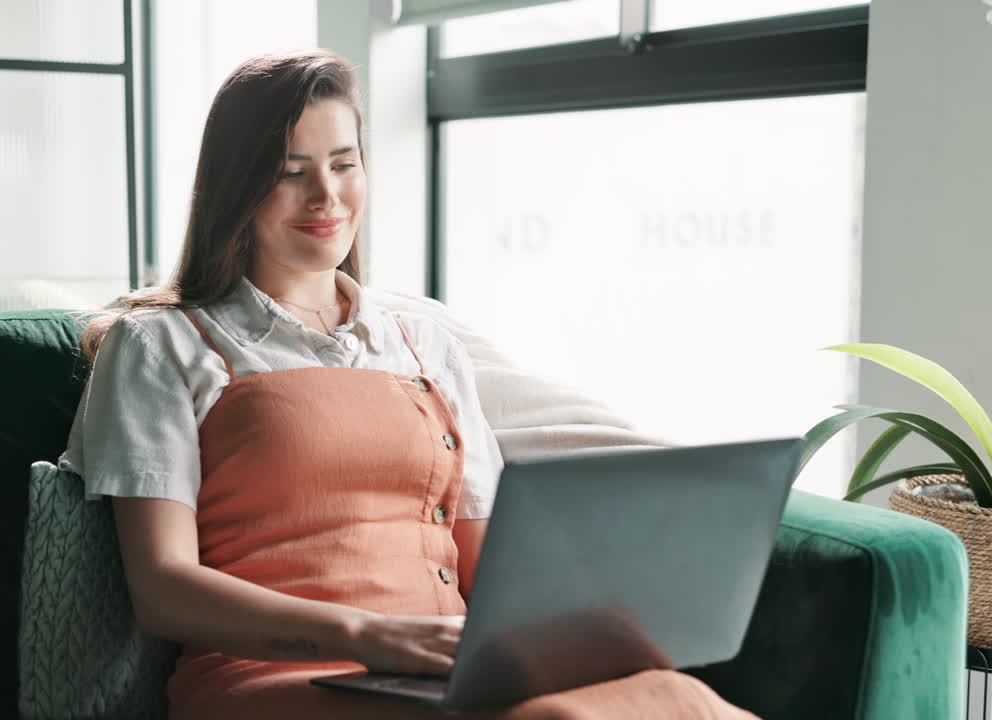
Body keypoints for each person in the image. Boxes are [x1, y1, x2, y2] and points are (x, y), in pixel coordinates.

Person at [59, 49, 756, 719]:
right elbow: (164, 591)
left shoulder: (426, 344)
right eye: (290, 170)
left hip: (444, 673)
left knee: (680, 699)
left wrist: (617, 620)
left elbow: (490, 571)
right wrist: (368, 636)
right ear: (238, 182)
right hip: (274, 680)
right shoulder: (159, 344)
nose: (325, 196)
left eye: (343, 163)